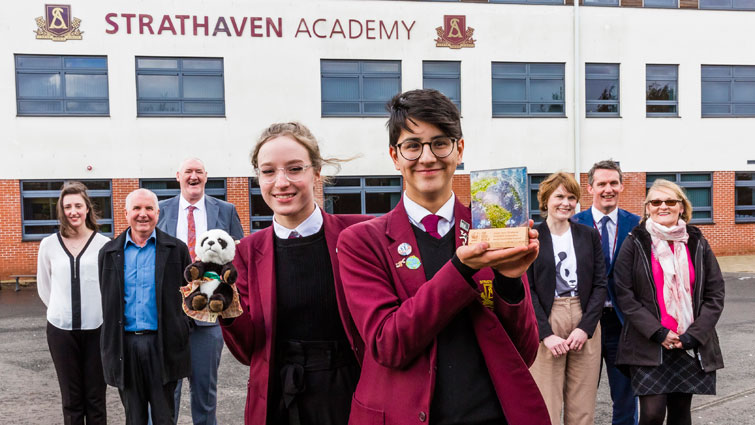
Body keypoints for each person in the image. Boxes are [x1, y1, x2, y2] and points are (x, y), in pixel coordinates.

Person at [336, 89, 549, 425]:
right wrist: (461, 269)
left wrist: (509, 281)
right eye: (412, 145)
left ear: (459, 149)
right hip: (402, 416)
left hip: (487, 414)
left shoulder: (491, 228)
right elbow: (388, 343)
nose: (427, 157)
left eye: (440, 142)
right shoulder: (362, 242)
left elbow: (524, 353)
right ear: (395, 155)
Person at [220, 122, 371, 425]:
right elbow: (249, 351)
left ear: (316, 172)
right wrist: (226, 307)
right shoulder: (247, 252)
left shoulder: (359, 233)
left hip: (350, 392)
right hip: (279, 396)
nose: (281, 182)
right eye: (268, 171)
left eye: (294, 168)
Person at [614, 179, 725, 425]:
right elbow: (624, 293)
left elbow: (715, 293)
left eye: (670, 201)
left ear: (681, 207)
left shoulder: (697, 242)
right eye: (655, 202)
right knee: (652, 414)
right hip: (649, 344)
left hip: (688, 342)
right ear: (647, 208)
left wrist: (694, 335)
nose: (663, 206)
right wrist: (658, 333)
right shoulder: (635, 241)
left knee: (680, 413)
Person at [156, 157, 244, 425]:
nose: (193, 176)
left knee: (205, 393)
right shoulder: (160, 210)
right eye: (188, 172)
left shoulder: (226, 210)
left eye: (198, 172)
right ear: (178, 176)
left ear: (206, 176)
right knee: (166, 391)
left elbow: (238, 254)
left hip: (209, 314)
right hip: (168, 315)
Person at [98, 188, 192, 425]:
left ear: (158, 213)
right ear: (126, 213)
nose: (143, 214)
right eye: (137, 208)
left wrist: (181, 328)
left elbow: (189, 296)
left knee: (164, 417)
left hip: (162, 345)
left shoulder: (176, 250)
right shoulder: (109, 253)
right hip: (125, 346)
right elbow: (106, 299)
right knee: (134, 418)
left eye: (149, 208)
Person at [527, 172, 607, 425]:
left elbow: (599, 283)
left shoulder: (588, 235)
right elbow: (526, 288)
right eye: (559, 196)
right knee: (546, 401)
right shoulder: (532, 236)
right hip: (547, 318)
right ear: (546, 199)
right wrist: (545, 334)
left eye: (572, 197)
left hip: (584, 319)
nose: (566, 203)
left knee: (582, 403)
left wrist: (586, 328)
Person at [572, 160, 640, 425]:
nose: (608, 189)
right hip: (583, 321)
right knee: (580, 395)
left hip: (622, 323)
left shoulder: (637, 224)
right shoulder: (574, 223)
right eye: (601, 184)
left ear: (621, 185)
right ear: (590, 188)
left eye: (613, 183)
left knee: (625, 396)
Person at [36, 181, 110, 425]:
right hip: (61, 331)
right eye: (68, 206)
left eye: (78, 205)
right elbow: (45, 287)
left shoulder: (104, 245)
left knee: (96, 399)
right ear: (62, 210)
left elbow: (109, 288)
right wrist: (61, 310)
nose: (73, 211)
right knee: (71, 399)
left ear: (87, 208)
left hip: (96, 330)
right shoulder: (48, 245)